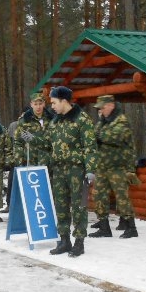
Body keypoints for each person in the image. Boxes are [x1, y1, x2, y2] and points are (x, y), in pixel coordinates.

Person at [44, 87, 98, 257]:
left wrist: (90, 170)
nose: (52, 106)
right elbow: (47, 142)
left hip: (77, 171)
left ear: (64, 101)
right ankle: (64, 240)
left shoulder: (82, 119)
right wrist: (30, 138)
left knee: (79, 207)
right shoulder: (55, 121)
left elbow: (90, 147)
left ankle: (79, 242)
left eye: (54, 102)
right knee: (60, 206)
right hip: (59, 170)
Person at [88, 95, 138, 239]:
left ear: (111, 105)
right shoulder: (103, 122)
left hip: (118, 166)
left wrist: (97, 135)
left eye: (103, 107)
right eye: (100, 108)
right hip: (102, 166)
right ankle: (104, 227)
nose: (101, 111)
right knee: (98, 195)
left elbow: (114, 137)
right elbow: (95, 136)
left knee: (122, 197)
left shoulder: (121, 121)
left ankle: (131, 227)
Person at [14, 92, 54, 168]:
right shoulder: (24, 120)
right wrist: (19, 162)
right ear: (31, 104)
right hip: (30, 163)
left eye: (40, 103)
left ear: (44, 104)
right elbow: (18, 142)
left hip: (49, 163)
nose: (38, 107)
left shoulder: (51, 120)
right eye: (35, 104)